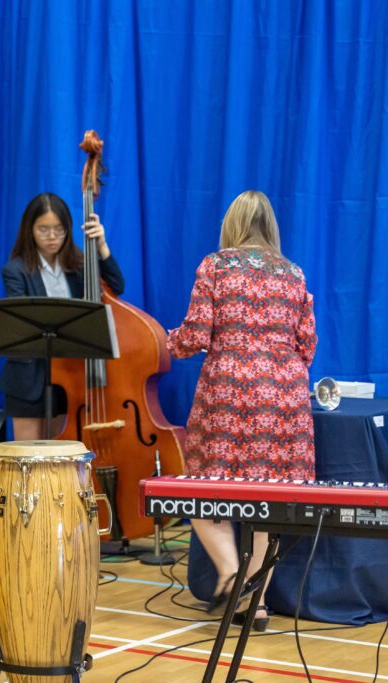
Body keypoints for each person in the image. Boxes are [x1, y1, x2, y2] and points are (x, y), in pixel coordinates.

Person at [167, 190, 317, 630]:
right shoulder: (294, 274)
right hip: (284, 394)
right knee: (266, 500)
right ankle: (257, 603)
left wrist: (163, 341)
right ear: (270, 226)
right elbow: (307, 345)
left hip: (229, 391)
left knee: (201, 488)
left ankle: (232, 574)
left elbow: (195, 335)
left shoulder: (215, 266)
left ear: (232, 224)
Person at [0, 193, 125, 440]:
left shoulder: (79, 264)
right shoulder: (15, 270)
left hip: (69, 375)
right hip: (30, 377)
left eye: (59, 229)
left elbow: (117, 286)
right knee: (29, 458)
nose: (52, 237)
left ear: (68, 230)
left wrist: (101, 246)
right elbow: (23, 323)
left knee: (60, 460)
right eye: (43, 229)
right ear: (30, 230)